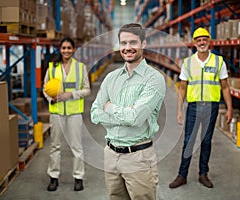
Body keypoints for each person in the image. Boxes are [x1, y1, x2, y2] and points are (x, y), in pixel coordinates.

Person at [90, 23, 166, 200]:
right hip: (110, 154)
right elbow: (94, 113)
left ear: (143, 44)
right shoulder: (111, 78)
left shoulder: (154, 79)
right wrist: (124, 113)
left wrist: (109, 108)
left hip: (138, 158)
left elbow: (135, 118)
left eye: (133, 42)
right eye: (123, 43)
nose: (128, 48)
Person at [169, 27, 232, 189]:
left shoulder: (219, 61)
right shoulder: (188, 63)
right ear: (194, 43)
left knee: (206, 141)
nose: (202, 42)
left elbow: (225, 87)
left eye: (204, 39)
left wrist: (230, 109)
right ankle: (182, 175)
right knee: (189, 141)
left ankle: (203, 174)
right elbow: (182, 88)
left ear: (209, 41)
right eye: (198, 40)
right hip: (194, 107)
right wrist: (178, 111)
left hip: (211, 107)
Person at [43, 37, 91, 192]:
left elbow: (87, 89)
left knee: (76, 146)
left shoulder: (80, 67)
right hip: (56, 112)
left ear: (73, 49)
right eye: (63, 48)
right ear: (60, 49)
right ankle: (53, 178)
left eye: (69, 48)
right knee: (55, 146)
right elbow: (45, 88)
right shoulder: (52, 68)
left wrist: (71, 95)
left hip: (74, 112)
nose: (66, 51)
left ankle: (78, 177)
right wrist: (51, 98)